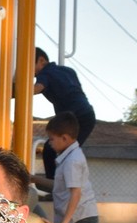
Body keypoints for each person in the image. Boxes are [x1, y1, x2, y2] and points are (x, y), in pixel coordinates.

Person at [32, 47, 95, 178]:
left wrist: (16, 88)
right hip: (88, 115)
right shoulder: (68, 71)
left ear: (42, 60)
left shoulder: (45, 74)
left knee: (51, 150)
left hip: (71, 119)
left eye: (31, 65)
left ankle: (54, 186)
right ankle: (66, 185)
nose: (30, 72)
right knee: (70, 151)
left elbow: (37, 88)